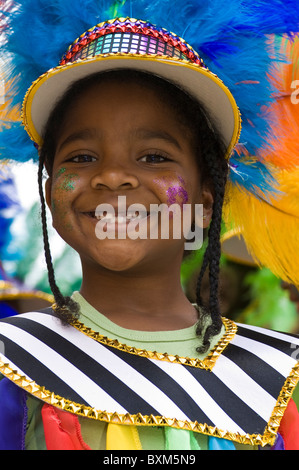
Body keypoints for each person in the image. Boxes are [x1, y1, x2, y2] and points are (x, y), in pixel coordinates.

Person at [0, 14, 299, 451]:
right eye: (82, 157)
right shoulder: (12, 362)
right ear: (49, 190)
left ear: (207, 199)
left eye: (154, 156)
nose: (113, 176)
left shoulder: (278, 376)